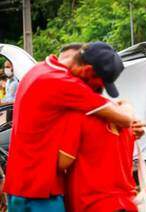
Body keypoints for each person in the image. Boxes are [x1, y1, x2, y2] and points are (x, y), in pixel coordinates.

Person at [4, 41, 139, 212]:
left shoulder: (39, 69)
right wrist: (128, 106)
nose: (96, 90)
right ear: (87, 70)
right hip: (42, 190)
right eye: (98, 85)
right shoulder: (66, 84)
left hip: (18, 183)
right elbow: (125, 119)